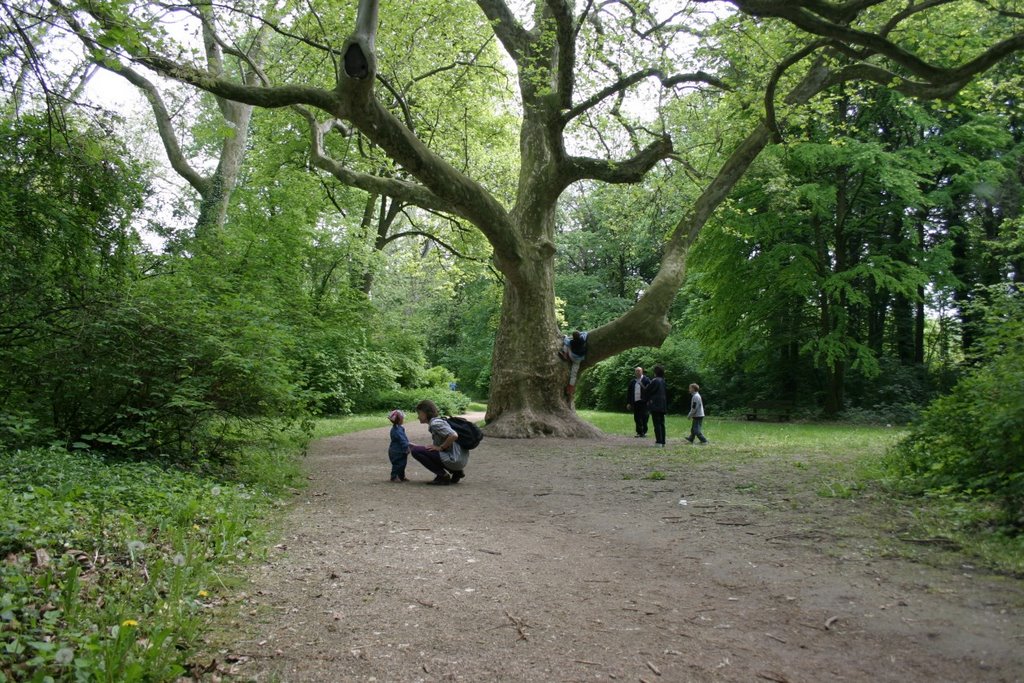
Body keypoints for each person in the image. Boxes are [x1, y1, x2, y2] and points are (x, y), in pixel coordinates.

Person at [409, 399, 468, 485]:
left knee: (415, 451)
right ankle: (456, 472)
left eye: (419, 413)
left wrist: (441, 447)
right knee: (418, 449)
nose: (418, 417)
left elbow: (454, 435)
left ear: (425, 413)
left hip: (454, 459)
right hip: (459, 460)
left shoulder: (435, 424)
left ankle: (442, 476)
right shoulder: (438, 422)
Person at [558, 330, 588, 398]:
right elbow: (586, 333)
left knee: (566, 344)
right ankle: (570, 388)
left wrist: (565, 336)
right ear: (579, 336)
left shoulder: (572, 341)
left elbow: (566, 340)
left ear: (573, 337)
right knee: (573, 373)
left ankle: (565, 354)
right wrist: (580, 333)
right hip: (579, 359)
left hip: (573, 356)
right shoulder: (582, 339)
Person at [386, 409, 411, 482]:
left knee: (402, 464)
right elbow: (402, 439)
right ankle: (394, 476)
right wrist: (406, 447)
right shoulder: (397, 430)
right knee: (398, 464)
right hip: (397, 451)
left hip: (398, 450)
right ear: (400, 420)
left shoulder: (398, 428)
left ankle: (401, 476)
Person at [626, 366, 651, 437]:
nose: (637, 372)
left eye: (639, 371)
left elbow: (650, 391)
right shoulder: (633, 382)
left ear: (642, 371)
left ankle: (644, 432)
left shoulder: (646, 380)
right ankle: (639, 432)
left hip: (644, 402)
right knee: (637, 417)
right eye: (636, 371)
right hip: (635, 402)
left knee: (645, 416)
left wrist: (649, 400)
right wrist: (629, 403)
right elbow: (629, 393)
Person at [647, 365, 668, 447]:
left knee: (657, 424)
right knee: (662, 423)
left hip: (655, 405)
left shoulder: (655, 380)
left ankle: (658, 441)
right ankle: (662, 442)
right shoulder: (663, 381)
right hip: (662, 405)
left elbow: (648, 390)